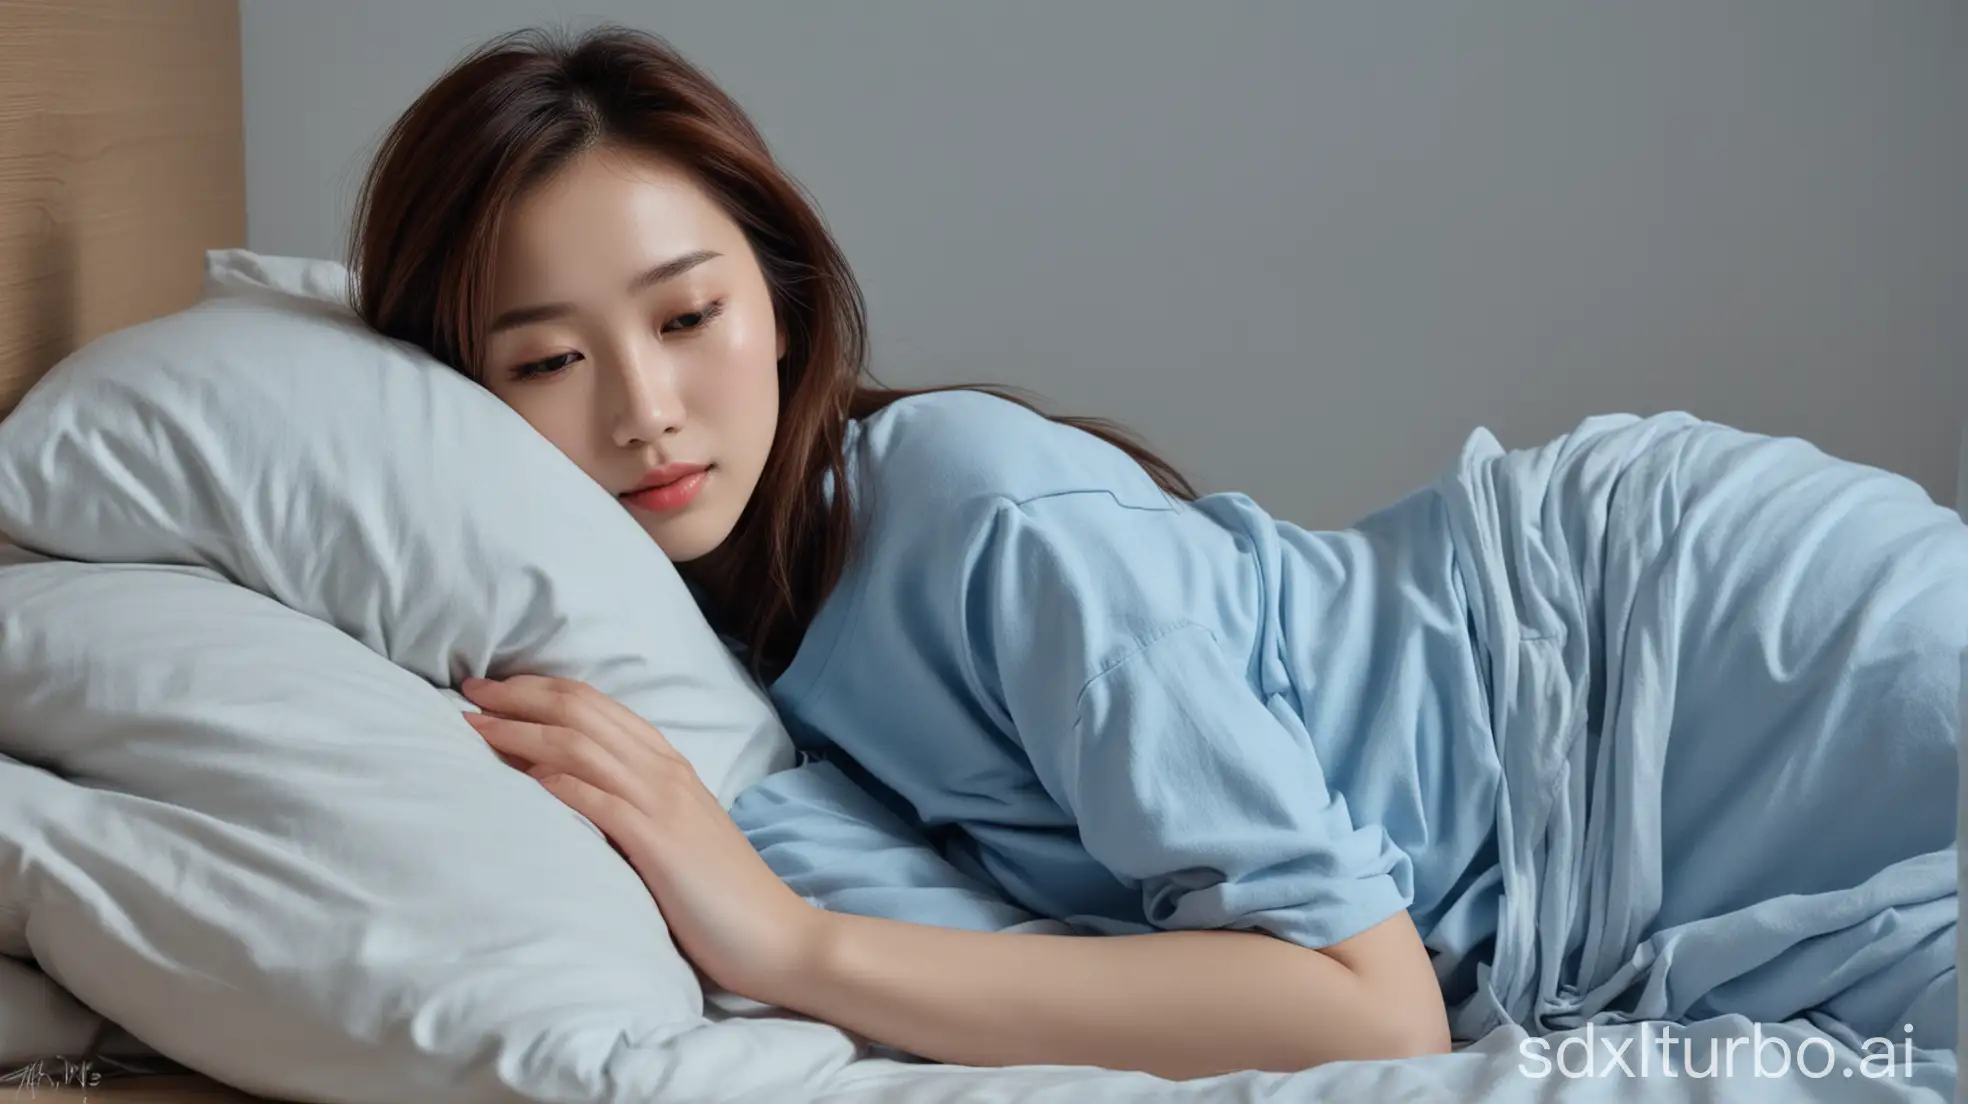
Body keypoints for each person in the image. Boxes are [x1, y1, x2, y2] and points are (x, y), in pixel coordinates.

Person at [351, 25, 1966, 1082]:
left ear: (778, 299)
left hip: (1681, 663)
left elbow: (1368, 1008)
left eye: (687, 315)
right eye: (545, 361)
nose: (644, 411)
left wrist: (791, 948)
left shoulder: (974, 515)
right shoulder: (712, 618)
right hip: (1593, 778)